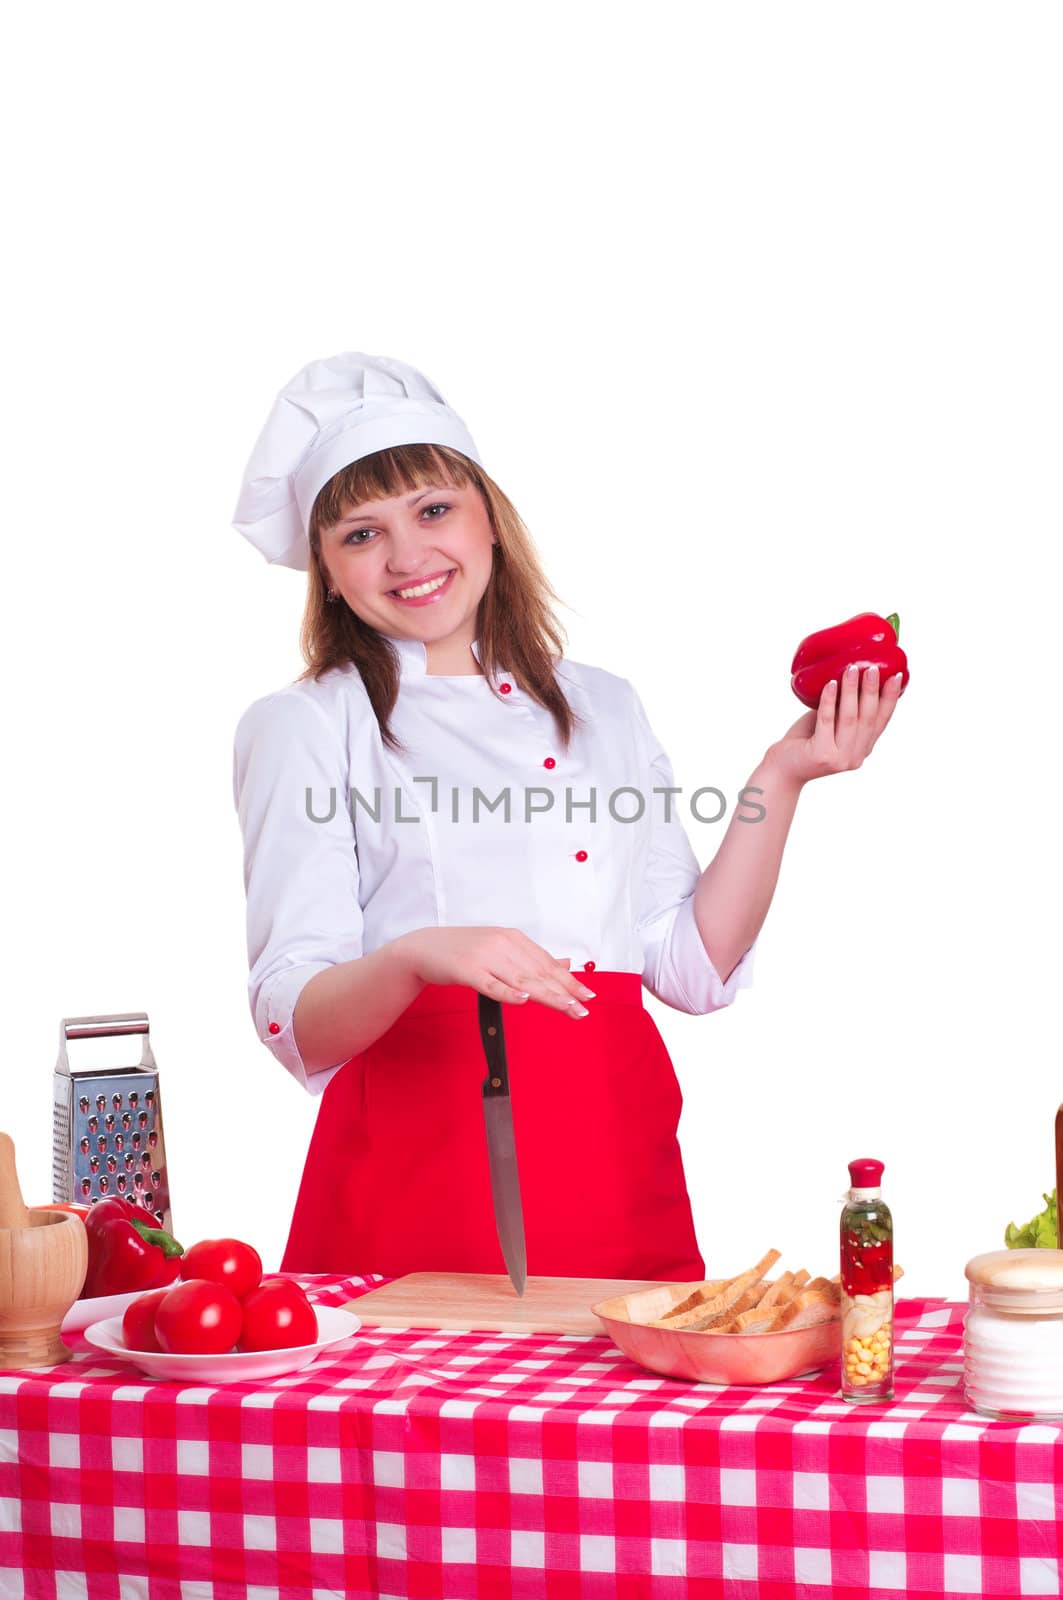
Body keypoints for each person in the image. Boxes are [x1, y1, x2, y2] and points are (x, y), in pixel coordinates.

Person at [231, 352, 903, 1282]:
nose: (407, 556)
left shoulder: (605, 706)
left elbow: (686, 967)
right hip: (423, 1164)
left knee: (630, 1419)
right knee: (416, 1422)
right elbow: (292, 1017)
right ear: (330, 576)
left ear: (489, 522)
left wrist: (780, 777)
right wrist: (415, 954)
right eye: (359, 534)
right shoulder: (305, 725)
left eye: (433, 510)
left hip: (613, 1147)